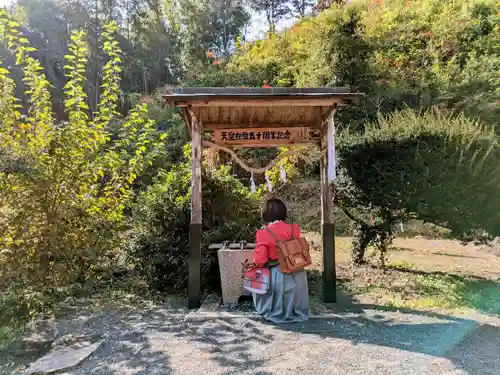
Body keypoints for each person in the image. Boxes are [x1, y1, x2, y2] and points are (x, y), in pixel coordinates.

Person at [252, 198, 309, 323]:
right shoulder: (294, 229)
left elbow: (260, 260)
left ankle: (276, 313)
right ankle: (296, 313)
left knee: (263, 282)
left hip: (278, 274)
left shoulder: (264, 232)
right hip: (298, 272)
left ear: (265, 214)